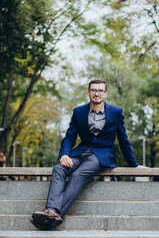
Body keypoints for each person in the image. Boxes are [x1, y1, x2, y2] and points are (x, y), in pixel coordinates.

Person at [30, 79, 141, 230]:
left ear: (105, 94)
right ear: (88, 92)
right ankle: (52, 211)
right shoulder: (79, 111)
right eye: (93, 90)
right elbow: (70, 136)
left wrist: (134, 165)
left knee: (78, 175)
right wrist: (64, 155)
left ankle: (53, 213)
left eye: (100, 90)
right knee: (59, 169)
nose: (97, 93)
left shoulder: (116, 112)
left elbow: (123, 140)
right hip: (80, 152)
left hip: (101, 156)